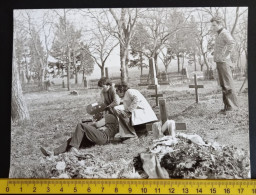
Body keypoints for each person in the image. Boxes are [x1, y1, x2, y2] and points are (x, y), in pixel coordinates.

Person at [40, 114, 119, 156]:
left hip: (103, 137)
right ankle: (53, 153)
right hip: (99, 139)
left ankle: (74, 149)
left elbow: (98, 125)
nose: (96, 114)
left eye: (97, 112)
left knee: (80, 125)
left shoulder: (110, 116)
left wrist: (90, 124)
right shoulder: (110, 118)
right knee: (74, 139)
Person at [210, 16, 239, 113]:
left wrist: (225, 55)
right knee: (223, 85)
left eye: (214, 25)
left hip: (224, 62)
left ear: (220, 24)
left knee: (227, 84)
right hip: (219, 62)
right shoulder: (219, 34)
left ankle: (232, 107)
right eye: (212, 25)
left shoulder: (224, 33)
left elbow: (231, 43)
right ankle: (227, 106)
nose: (212, 27)